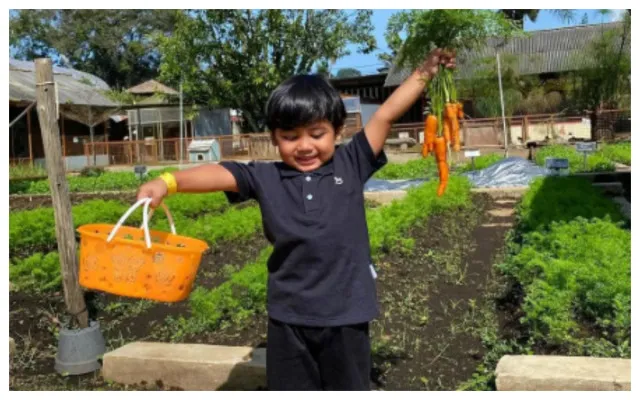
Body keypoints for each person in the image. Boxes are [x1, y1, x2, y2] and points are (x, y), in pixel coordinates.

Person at [137, 48, 456, 391]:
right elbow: (220, 172)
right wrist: (167, 182)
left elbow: (386, 114)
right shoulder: (265, 176)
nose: (304, 146)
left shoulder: (352, 163)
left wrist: (426, 71)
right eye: (290, 137)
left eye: (316, 134)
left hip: (346, 315)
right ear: (275, 137)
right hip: (288, 316)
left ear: (336, 130)